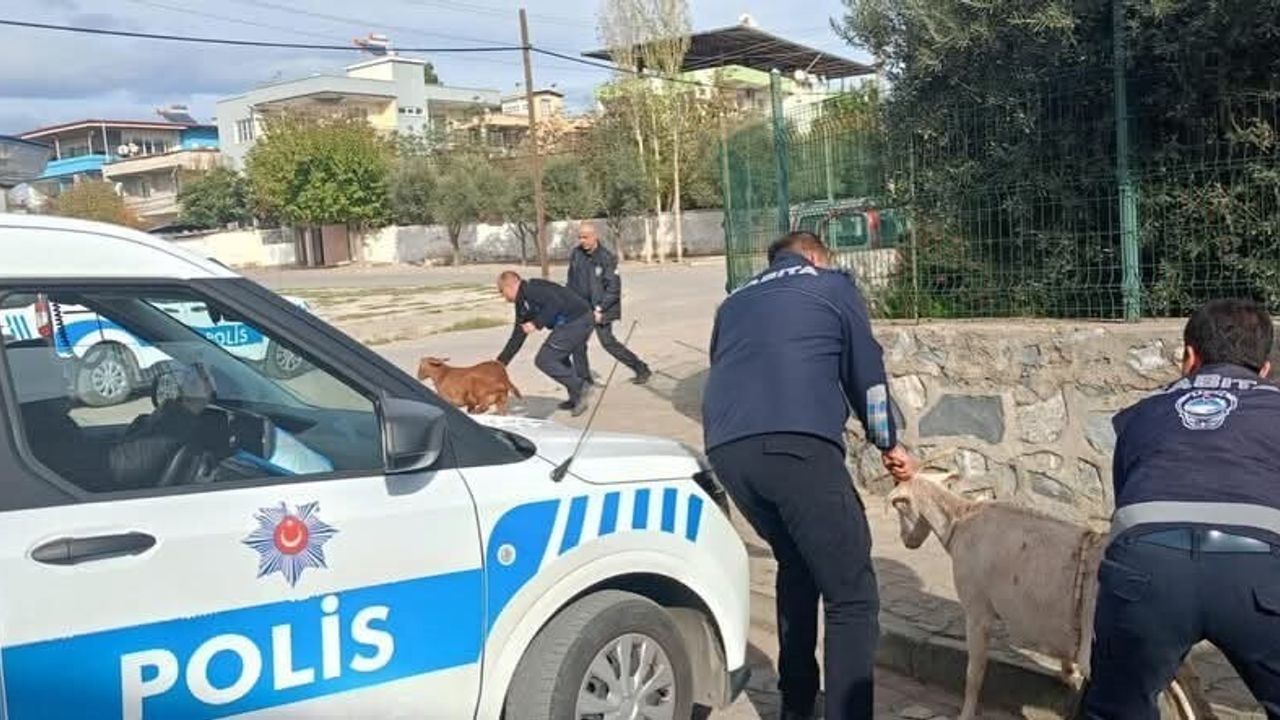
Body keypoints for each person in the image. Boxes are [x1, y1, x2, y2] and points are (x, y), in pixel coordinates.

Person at [702, 231, 917, 720]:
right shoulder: (832, 284)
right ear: (816, 255)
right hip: (796, 446)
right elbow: (868, 373)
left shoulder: (732, 301)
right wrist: (889, 443)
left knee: (797, 568)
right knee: (852, 595)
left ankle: (796, 707)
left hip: (729, 452)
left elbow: (725, 367)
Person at [1083, 298, 1280, 719]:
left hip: (1147, 568)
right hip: (1259, 573)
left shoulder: (1142, 414)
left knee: (1117, 708)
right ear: (1266, 368)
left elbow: (1128, 499)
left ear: (1189, 357)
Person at [495, 271, 593, 416]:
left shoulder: (533, 290)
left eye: (502, 292)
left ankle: (580, 386)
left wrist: (536, 323)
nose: (504, 297)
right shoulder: (522, 301)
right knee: (559, 358)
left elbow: (555, 303)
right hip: (570, 323)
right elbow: (518, 333)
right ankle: (575, 397)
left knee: (544, 360)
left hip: (578, 319)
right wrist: (500, 363)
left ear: (509, 286)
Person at [566, 222, 652, 386]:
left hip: (601, 309)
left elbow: (613, 288)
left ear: (595, 236)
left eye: (586, 237)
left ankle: (641, 368)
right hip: (581, 308)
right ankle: (584, 382)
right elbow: (572, 281)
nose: (582, 240)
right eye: (580, 237)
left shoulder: (606, 258)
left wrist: (600, 309)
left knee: (608, 343)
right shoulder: (576, 254)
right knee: (578, 344)